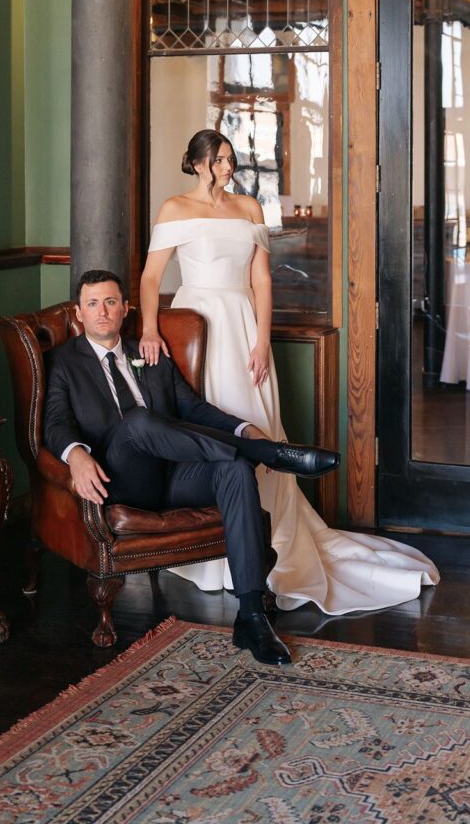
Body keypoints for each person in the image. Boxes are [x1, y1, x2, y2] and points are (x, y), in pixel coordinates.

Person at [139, 129, 439, 614]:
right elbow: (152, 278)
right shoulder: (175, 209)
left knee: (253, 419)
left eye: (231, 160)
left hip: (240, 326)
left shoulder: (249, 209)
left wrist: (261, 338)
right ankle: (209, 550)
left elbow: (260, 278)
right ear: (196, 164)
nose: (227, 168)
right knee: (207, 425)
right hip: (197, 324)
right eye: (218, 161)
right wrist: (151, 331)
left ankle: (265, 541)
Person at [43, 270, 337, 665]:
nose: (102, 312)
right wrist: (76, 455)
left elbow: (193, 408)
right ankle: (271, 454)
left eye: (111, 302)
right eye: (93, 303)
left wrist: (242, 428)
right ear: (79, 313)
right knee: (139, 421)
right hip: (122, 479)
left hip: (175, 475)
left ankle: (251, 617)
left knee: (232, 470)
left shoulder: (149, 352)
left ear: (125, 309)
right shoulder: (64, 361)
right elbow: (55, 424)